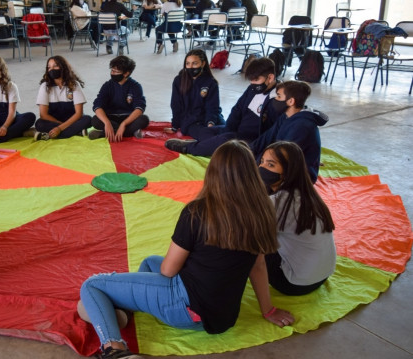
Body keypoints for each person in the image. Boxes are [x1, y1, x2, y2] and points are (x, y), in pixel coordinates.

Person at [78, 140, 294, 359]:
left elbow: (168, 271)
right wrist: (268, 310)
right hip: (223, 317)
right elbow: (258, 265)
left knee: (92, 286)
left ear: (213, 172)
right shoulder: (262, 209)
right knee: (149, 261)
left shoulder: (198, 211)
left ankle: (114, 349)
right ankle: (123, 311)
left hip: (186, 309)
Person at [259, 141, 336, 295]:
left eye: (271, 165)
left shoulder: (278, 202)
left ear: (289, 171)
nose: (262, 168)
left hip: (293, 283)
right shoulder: (307, 192)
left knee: (246, 245)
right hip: (322, 275)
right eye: (262, 162)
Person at [165, 57, 280, 156]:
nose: (252, 84)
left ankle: (189, 148)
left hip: (250, 140)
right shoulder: (252, 89)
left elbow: (273, 132)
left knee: (224, 140)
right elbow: (237, 110)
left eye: (256, 80)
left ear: (270, 78)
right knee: (202, 131)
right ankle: (208, 144)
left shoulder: (279, 99)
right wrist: (227, 130)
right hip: (236, 130)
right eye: (251, 81)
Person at [249, 81, 327, 183]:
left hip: (298, 176)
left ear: (290, 101)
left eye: (279, 96)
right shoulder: (286, 116)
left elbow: (284, 157)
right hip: (278, 163)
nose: (275, 100)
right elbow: (267, 137)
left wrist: (259, 164)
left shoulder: (303, 126)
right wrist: (247, 151)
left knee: (248, 181)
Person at [0, 56, 36, 146]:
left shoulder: (11, 86)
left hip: (10, 118)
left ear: (2, 71)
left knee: (30, 116)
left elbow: (12, 112)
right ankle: (21, 133)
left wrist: (5, 126)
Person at [165, 49, 223, 139]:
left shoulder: (210, 82)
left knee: (229, 133)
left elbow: (212, 106)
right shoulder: (179, 80)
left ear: (203, 64)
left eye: (195, 63)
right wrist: (175, 126)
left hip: (210, 118)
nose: (191, 67)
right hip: (190, 121)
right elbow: (175, 105)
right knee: (209, 136)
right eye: (188, 63)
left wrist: (210, 123)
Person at [90, 55, 149, 142]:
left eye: (115, 71)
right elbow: (97, 105)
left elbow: (139, 108)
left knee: (144, 119)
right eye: (112, 70)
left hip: (128, 118)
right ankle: (130, 132)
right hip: (111, 117)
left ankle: (104, 133)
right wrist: (107, 123)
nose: (112, 73)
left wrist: (124, 124)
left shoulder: (135, 86)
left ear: (126, 73)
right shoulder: (107, 85)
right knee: (95, 120)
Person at [34, 56, 91, 140]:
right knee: (39, 123)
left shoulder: (74, 84)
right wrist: (61, 125)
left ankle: (48, 135)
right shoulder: (44, 86)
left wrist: (59, 128)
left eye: (55, 66)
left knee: (88, 119)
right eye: (49, 67)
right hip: (54, 121)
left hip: (72, 120)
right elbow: (43, 114)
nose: (52, 69)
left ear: (63, 67)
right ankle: (76, 132)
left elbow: (78, 113)